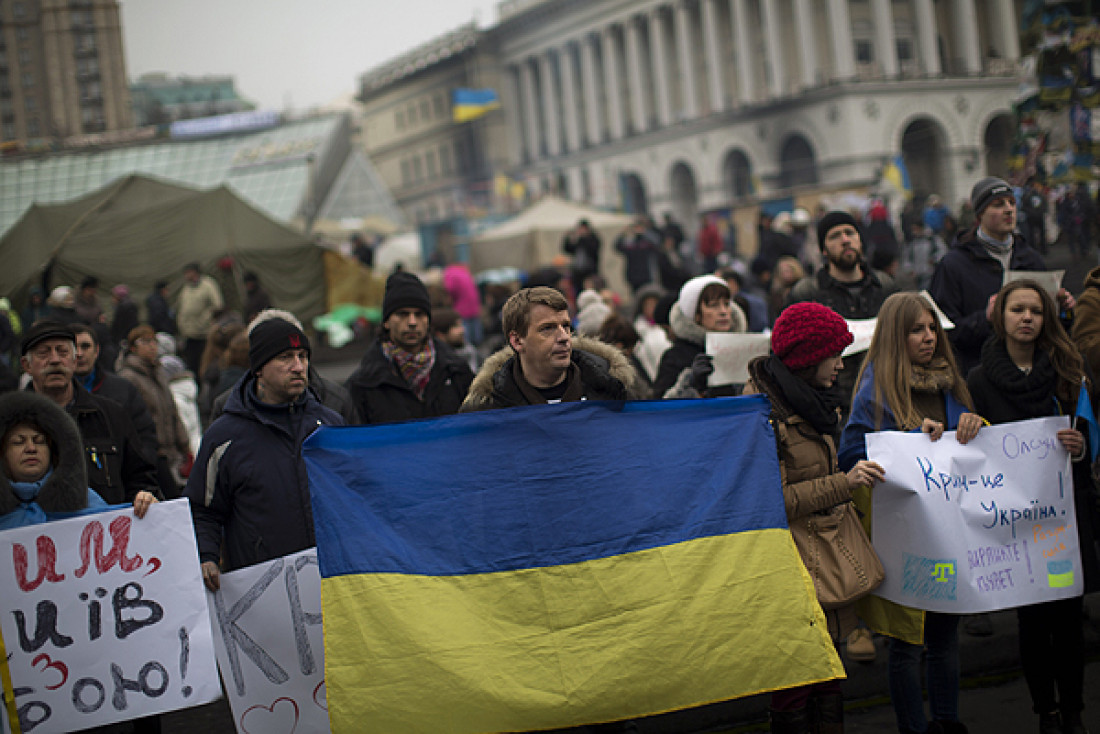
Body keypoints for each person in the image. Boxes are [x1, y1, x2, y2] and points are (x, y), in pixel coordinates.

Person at [838, 292, 984, 734]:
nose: (928, 337)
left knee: (943, 638)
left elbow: (977, 453)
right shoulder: (874, 391)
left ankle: (946, 722)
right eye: (916, 329)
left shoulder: (951, 383)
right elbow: (850, 458)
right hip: (902, 540)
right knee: (904, 646)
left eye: (932, 328)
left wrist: (976, 426)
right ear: (894, 337)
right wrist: (907, 439)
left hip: (948, 534)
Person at [744, 302, 885, 734]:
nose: (841, 365)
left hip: (819, 556)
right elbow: (772, 500)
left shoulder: (813, 403)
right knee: (797, 679)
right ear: (807, 359)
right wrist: (845, 483)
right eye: (833, 355)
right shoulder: (763, 415)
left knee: (828, 673)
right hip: (789, 566)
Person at [966, 281, 1099, 734]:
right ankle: (1046, 711)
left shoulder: (1067, 371)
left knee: (1068, 618)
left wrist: (1079, 446)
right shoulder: (978, 380)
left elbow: (1088, 440)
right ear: (1000, 315)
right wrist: (967, 426)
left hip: (1063, 518)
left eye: (1036, 311)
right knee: (1032, 621)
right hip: (1015, 525)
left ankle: (1075, 711)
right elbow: (972, 455)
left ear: (1046, 319)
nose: (1027, 317)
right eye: (1017, 309)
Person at [185, 316, 343, 591]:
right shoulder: (224, 437)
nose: (298, 367)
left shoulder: (330, 426)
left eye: (303, 356)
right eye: (285, 358)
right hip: (262, 593)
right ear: (258, 367)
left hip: (330, 584)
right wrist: (206, 556)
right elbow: (202, 509)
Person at [930, 177, 1075, 376]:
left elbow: (1051, 329)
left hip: (1031, 376)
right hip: (980, 377)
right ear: (980, 214)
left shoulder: (1030, 258)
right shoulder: (953, 265)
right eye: (998, 205)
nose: (1008, 210)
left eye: (1012, 203)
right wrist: (985, 318)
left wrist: (1063, 311)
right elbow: (940, 332)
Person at [21, 321, 160, 509]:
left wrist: (144, 497)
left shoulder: (111, 415)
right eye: (43, 353)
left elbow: (140, 477)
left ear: (74, 360)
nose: (54, 360)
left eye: (62, 352)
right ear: (26, 365)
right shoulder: (12, 424)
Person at [461, 286, 641, 410]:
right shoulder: (487, 408)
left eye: (566, 326)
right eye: (547, 328)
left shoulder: (612, 391)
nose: (564, 337)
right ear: (517, 341)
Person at [788, 210, 896, 415]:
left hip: (885, 402)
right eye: (835, 236)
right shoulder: (808, 293)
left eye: (850, 233)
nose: (845, 240)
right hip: (832, 407)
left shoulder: (884, 286)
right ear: (824, 250)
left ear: (860, 240)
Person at [346, 272, 474, 424]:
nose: (412, 322)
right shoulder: (363, 384)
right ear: (386, 322)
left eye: (419, 314)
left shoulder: (456, 371)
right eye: (402, 314)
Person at [0, 391, 110, 529]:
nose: (31, 448)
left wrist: (141, 508)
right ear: (2, 453)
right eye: (18, 442)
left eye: (39, 441)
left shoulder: (88, 500)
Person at [118, 325, 191, 500]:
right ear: (133, 348)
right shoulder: (128, 377)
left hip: (170, 450)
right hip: (151, 453)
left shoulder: (159, 372)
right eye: (145, 342)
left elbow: (171, 410)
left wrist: (184, 444)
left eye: (154, 341)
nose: (152, 346)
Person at [71, 323, 159, 462]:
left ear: (97, 351)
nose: (80, 354)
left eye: (86, 346)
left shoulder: (122, 389)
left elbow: (145, 433)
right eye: (74, 348)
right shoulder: (57, 393)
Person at [653, 274, 748, 399]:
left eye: (726, 304)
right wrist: (690, 383)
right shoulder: (675, 357)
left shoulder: (744, 349)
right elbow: (660, 408)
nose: (723, 312)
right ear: (696, 315)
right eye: (714, 305)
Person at [177, 262, 225, 375]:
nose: (186, 276)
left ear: (195, 273)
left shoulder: (208, 285)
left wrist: (206, 318)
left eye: (188, 273)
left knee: (204, 361)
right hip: (189, 333)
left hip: (203, 333)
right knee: (191, 362)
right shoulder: (186, 288)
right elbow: (181, 306)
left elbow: (217, 305)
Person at [614, 218, 661, 294]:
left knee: (647, 293)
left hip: (646, 275)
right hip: (633, 276)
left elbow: (657, 243)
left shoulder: (646, 242)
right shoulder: (629, 243)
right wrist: (622, 233)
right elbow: (617, 247)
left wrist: (645, 232)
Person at [442, 261, 484, 347]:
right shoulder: (465, 273)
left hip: (462, 309)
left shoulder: (450, 274)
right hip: (474, 307)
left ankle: (466, 349)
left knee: (465, 336)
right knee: (476, 335)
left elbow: (450, 289)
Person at [562, 219, 602, 296]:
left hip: (590, 271)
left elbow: (593, 249)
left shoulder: (593, 238)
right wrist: (568, 238)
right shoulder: (578, 240)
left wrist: (583, 237)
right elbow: (568, 249)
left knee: (590, 290)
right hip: (578, 271)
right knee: (578, 291)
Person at [110, 284, 140, 349]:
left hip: (123, 338)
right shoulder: (133, 304)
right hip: (132, 335)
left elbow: (118, 325)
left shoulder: (121, 307)